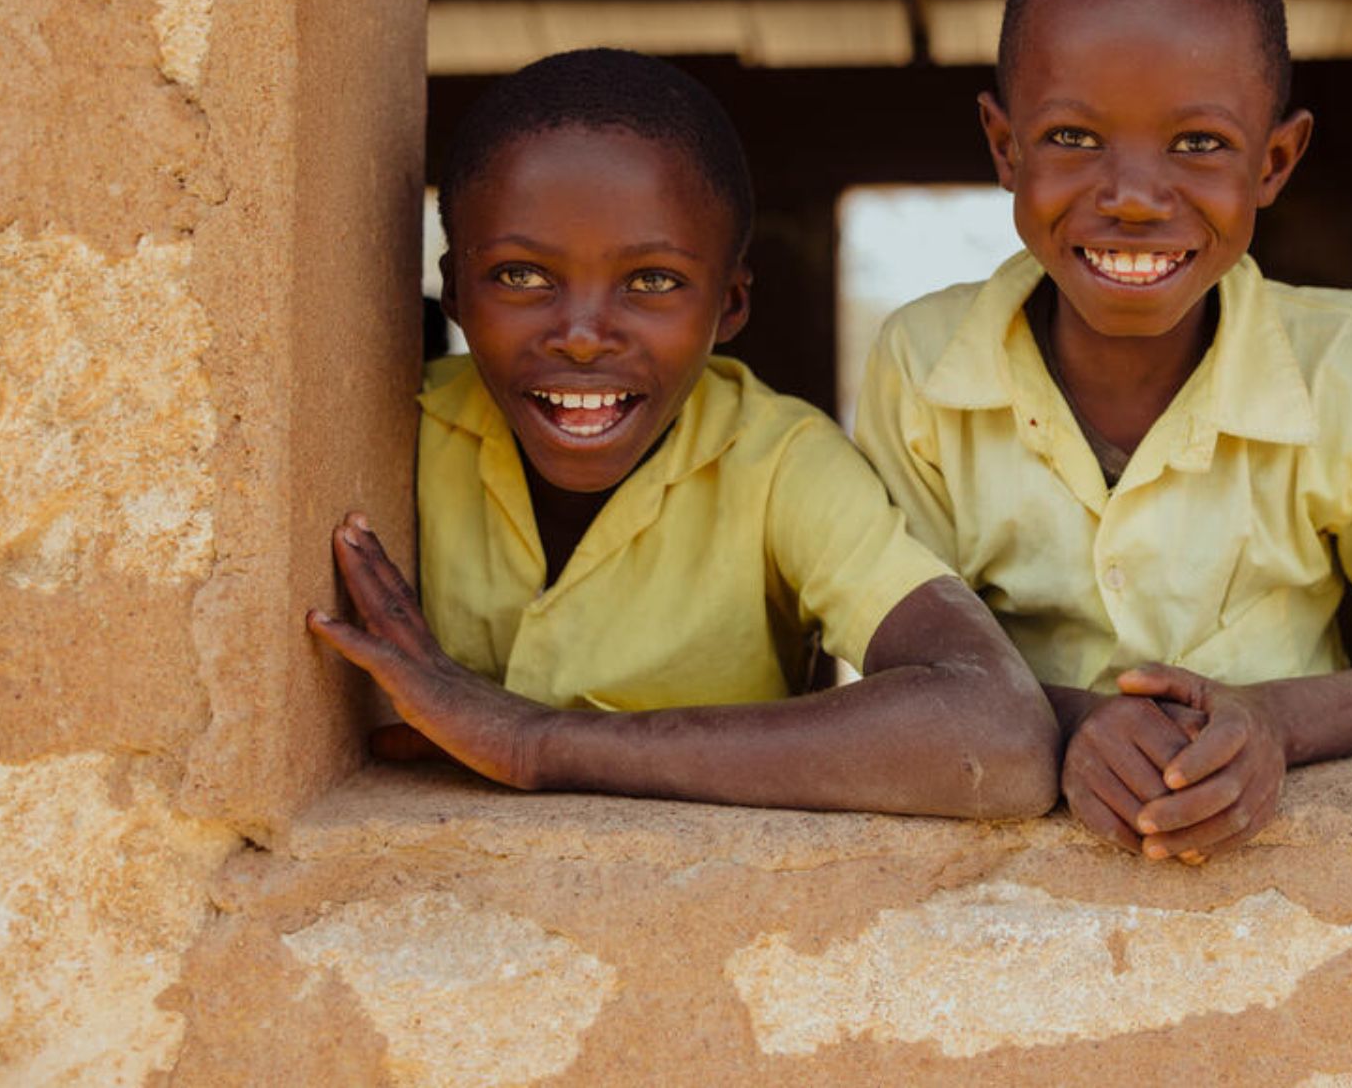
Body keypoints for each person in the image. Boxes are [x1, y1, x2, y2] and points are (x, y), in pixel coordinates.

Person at [855, 0, 1352, 860]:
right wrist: (1073, 723)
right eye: (1073, 139)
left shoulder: (1340, 364)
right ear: (1005, 149)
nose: (1133, 196)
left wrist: (1272, 726)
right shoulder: (923, 366)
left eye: (1198, 144)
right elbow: (900, 667)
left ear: (1275, 160)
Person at [308, 49, 1058, 818]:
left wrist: (536, 742)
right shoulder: (391, 432)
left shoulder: (780, 466)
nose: (581, 335)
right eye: (521, 276)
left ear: (730, 305)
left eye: (652, 282)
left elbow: (996, 739)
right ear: (456, 292)